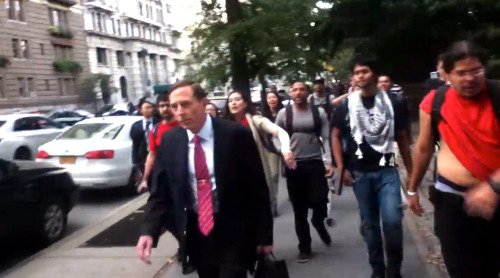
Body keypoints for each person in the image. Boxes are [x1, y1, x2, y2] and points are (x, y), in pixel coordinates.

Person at [137, 80, 273, 278]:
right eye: (175, 106)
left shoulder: (235, 135)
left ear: (203, 103)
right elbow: (160, 193)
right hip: (197, 232)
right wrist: (148, 230)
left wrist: (264, 237)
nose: (179, 112)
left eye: (185, 104)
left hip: (234, 230)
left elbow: (257, 188)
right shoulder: (170, 141)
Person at [408, 41, 500, 278]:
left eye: (476, 70)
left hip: (497, 200)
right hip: (452, 203)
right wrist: (412, 189)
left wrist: (492, 187)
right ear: (446, 74)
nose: (470, 78)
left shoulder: (497, 95)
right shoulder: (434, 102)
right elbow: (424, 148)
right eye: (461, 73)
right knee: (461, 270)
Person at [331, 55, 413, 278]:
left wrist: (412, 177)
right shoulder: (347, 105)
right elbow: (335, 135)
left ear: (374, 74)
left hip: (387, 172)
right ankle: (378, 269)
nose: (360, 76)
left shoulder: (394, 103)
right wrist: (341, 168)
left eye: (364, 71)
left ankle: (394, 269)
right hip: (360, 175)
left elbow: (403, 140)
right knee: (370, 226)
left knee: (393, 222)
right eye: (357, 73)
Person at [275, 81, 334, 263]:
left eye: (302, 89)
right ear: (290, 93)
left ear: (307, 92)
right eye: (295, 90)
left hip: (315, 162)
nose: (298, 92)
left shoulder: (319, 113)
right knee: (299, 210)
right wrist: (284, 152)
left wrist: (329, 162)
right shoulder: (285, 114)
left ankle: (318, 221)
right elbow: (275, 136)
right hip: (294, 166)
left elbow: (326, 138)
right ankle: (305, 248)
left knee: (320, 200)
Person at [223, 91, 295, 217]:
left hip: (255, 169)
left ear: (245, 103)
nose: (233, 103)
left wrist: (286, 150)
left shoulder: (255, 119)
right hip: (233, 172)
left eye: (237, 99)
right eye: (230, 101)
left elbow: (280, 132)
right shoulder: (223, 125)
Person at [138, 93, 179, 193]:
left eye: (167, 105)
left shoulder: (183, 126)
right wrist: (145, 179)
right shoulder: (155, 130)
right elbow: (151, 155)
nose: (165, 109)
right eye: (161, 106)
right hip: (163, 179)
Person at [130, 100, 159, 178]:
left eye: (150, 107)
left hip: (157, 155)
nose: (149, 109)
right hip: (143, 157)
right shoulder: (136, 126)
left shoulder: (158, 123)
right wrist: (135, 161)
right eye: (146, 108)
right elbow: (135, 144)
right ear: (141, 110)